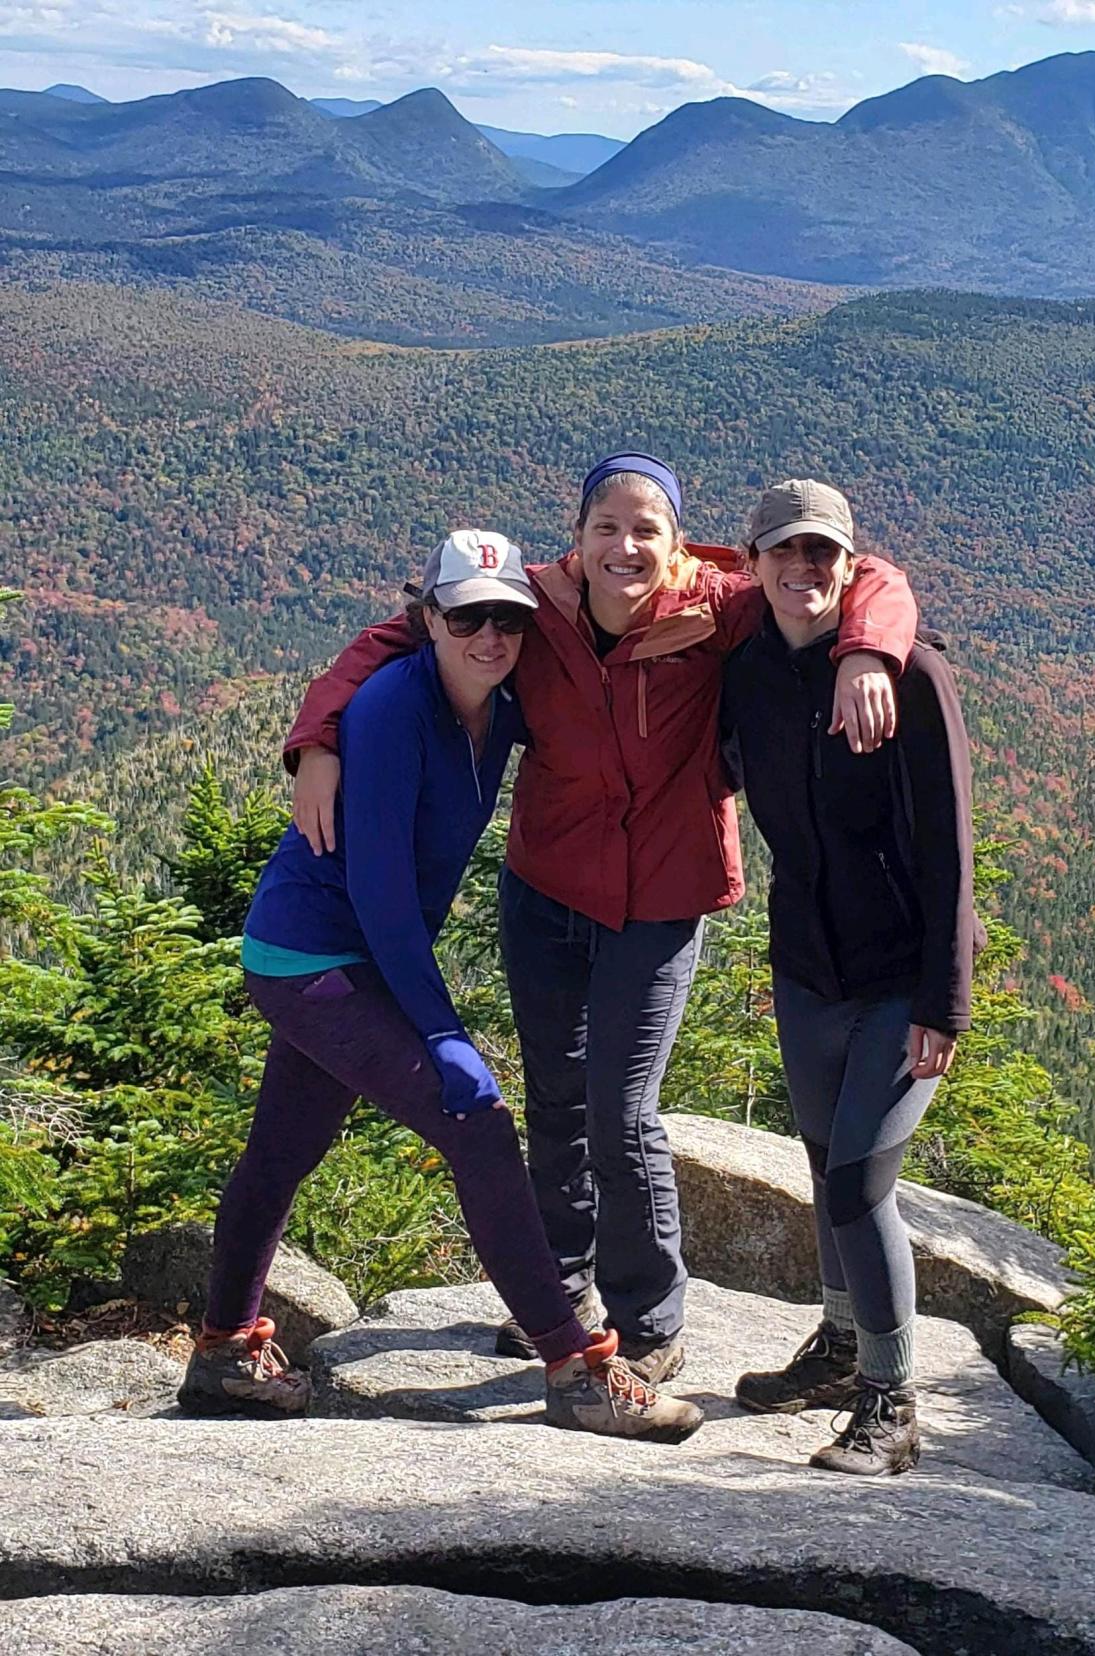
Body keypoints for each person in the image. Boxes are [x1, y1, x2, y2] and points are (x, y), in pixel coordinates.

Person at [282, 455, 919, 1382]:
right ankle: (561, 1294)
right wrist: (317, 743)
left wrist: (869, 650)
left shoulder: (720, 606)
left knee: (624, 1117)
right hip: (546, 890)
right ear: (577, 538)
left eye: (646, 529)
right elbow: (394, 637)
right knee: (554, 1103)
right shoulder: (529, 607)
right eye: (606, 528)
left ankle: (650, 1321)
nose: (626, 546)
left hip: (664, 897)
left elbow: (866, 576)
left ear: (674, 542)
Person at [178, 528, 704, 1444]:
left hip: (352, 961)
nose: (492, 637)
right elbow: (380, 897)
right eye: (468, 617)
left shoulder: (499, 710)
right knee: (480, 1129)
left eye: (508, 619)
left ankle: (223, 1352)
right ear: (431, 618)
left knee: (280, 1153)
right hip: (313, 962)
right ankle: (577, 1370)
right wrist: (443, 1031)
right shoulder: (391, 712)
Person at [723, 479, 978, 1476]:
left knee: (863, 1181)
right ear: (754, 566)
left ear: (852, 564)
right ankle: (838, 1348)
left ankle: (891, 1399)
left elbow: (953, 849)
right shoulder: (743, 668)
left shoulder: (910, 678)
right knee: (825, 1160)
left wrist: (944, 1000)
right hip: (807, 965)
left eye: (822, 554)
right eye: (783, 553)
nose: (803, 571)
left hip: (899, 975)